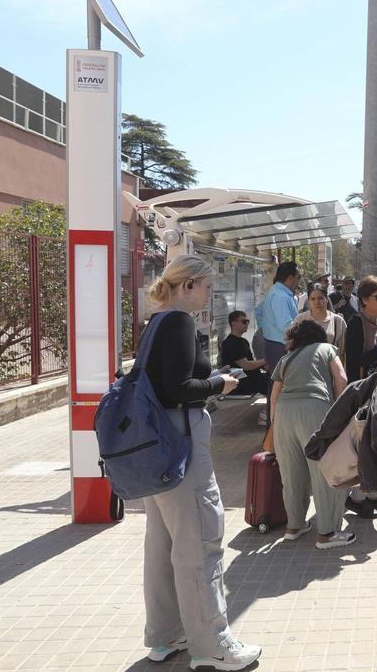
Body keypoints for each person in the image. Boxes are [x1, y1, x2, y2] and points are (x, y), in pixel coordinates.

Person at [139, 254, 261, 671]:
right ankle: (212, 645)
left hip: (157, 448)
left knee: (163, 545)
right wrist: (220, 383)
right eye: (208, 287)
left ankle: (165, 635)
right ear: (188, 285)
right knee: (201, 546)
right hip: (181, 446)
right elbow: (180, 388)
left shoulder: (155, 321)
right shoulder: (180, 321)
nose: (211, 296)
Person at [261, 319, 355, 549]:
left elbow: (274, 395)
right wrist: (338, 413)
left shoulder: (286, 359)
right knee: (325, 472)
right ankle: (327, 534)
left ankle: (294, 526)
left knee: (291, 474)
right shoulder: (326, 349)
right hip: (315, 410)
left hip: (283, 413)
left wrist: (275, 424)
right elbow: (341, 379)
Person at [343, 275, 377, 519]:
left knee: (375, 440)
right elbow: (352, 362)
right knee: (363, 442)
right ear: (364, 300)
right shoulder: (354, 323)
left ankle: (371, 494)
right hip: (361, 391)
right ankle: (358, 496)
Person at [254, 261, 300, 396]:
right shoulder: (280, 296)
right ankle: (274, 417)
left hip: (276, 345)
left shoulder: (278, 292)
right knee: (279, 392)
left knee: (276, 390)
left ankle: (273, 417)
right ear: (290, 278)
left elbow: (258, 312)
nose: (298, 281)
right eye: (298, 277)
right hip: (280, 348)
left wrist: (268, 329)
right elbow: (286, 326)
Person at [218, 310, 268, 400]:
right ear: (234, 323)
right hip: (242, 384)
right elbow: (246, 365)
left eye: (248, 321)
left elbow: (251, 362)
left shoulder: (243, 341)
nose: (247, 324)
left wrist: (264, 366)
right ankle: (271, 411)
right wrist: (267, 359)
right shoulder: (231, 343)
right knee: (275, 384)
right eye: (244, 321)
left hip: (253, 379)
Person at [292, 284, 347, 362]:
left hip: (329, 368)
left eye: (320, 298)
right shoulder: (301, 319)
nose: (317, 302)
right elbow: (292, 348)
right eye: (313, 299)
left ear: (326, 299)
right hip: (306, 368)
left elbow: (342, 352)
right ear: (309, 301)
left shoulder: (338, 321)